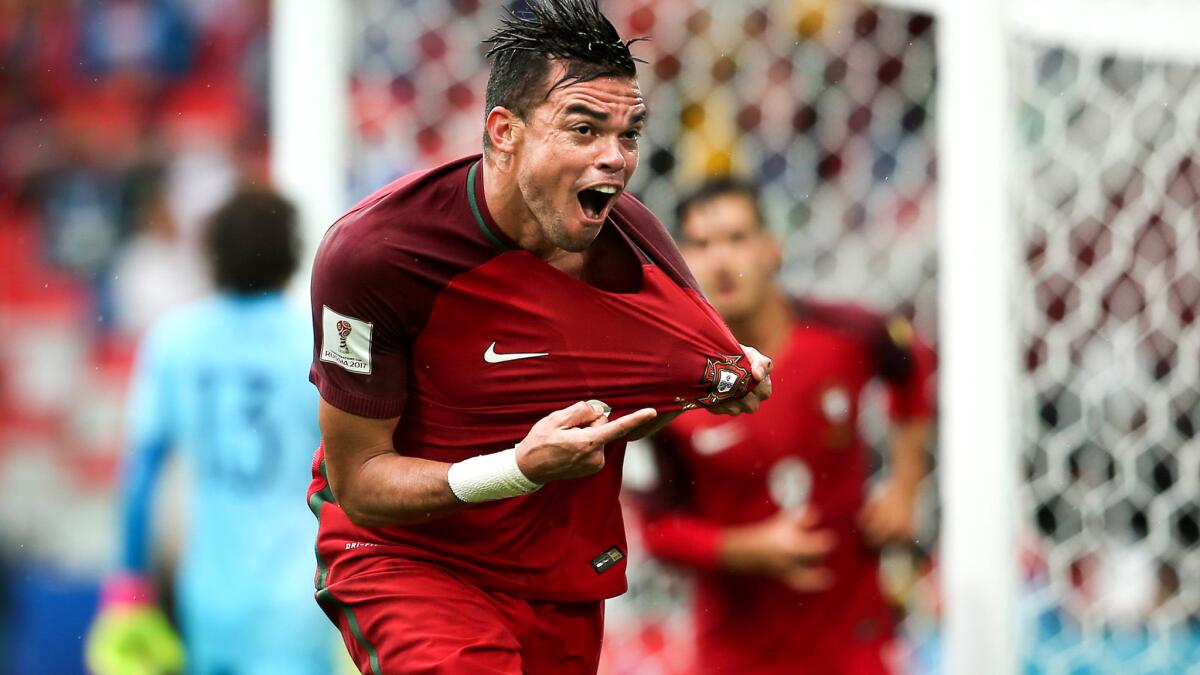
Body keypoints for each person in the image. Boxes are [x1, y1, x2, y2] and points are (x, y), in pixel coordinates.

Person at [305, 2, 772, 673]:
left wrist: (722, 384)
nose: (614, 158)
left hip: (558, 577)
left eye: (629, 133)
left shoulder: (632, 247)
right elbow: (359, 481)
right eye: (584, 129)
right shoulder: (375, 256)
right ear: (504, 131)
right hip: (411, 560)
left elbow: (660, 379)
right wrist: (516, 468)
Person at [635, 176, 934, 675]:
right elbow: (659, 532)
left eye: (736, 238)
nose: (722, 261)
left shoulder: (845, 336)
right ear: (680, 264)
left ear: (771, 249)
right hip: (736, 653)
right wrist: (749, 549)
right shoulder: (662, 387)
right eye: (702, 245)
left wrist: (905, 486)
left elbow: (913, 364)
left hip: (852, 641)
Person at [87, 188, 339, 675]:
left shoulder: (175, 340)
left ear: (212, 258)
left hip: (209, 594)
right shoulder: (316, 341)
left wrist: (128, 584)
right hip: (299, 596)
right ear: (291, 255)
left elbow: (140, 475)